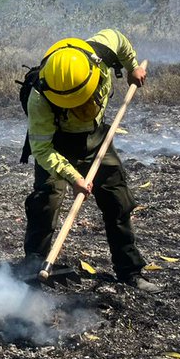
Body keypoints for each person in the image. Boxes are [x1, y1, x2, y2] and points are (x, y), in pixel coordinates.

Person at [21, 31, 159, 292]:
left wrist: (132, 68)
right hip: (58, 144)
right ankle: (34, 268)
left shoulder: (100, 51)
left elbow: (120, 39)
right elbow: (41, 149)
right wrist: (74, 177)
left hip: (97, 138)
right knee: (46, 202)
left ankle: (129, 270)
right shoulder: (39, 97)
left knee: (118, 201)